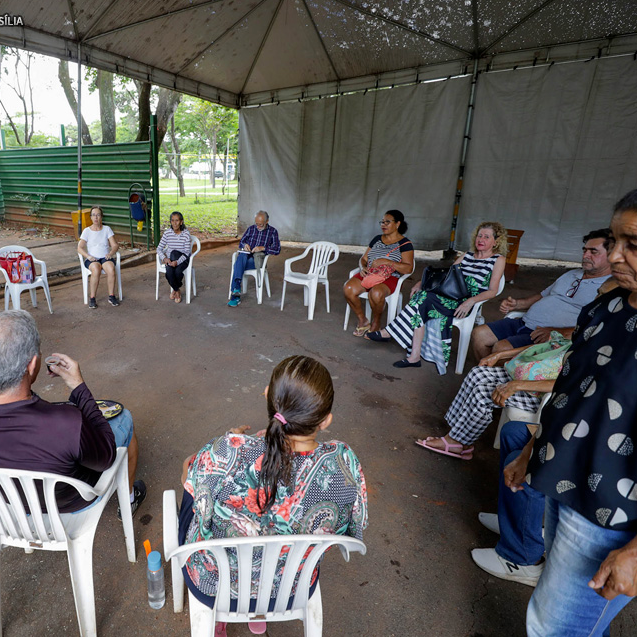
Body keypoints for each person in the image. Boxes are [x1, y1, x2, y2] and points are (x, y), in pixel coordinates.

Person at [505, 189, 637, 635]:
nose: (615, 256)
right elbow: (571, 389)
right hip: (563, 478)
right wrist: (532, 453)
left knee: (555, 628)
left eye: (633, 245)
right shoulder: (607, 306)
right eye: (615, 242)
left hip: (610, 512)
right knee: (555, 613)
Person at [178, 355, 367, 636]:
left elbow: (193, 485)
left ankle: (219, 620)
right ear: (325, 421)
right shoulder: (345, 466)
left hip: (214, 586)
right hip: (291, 589)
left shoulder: (226, 451)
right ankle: (259, 611)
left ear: (267, 395)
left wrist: (230, 441)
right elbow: (353, 532)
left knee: (192, 487)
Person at [0, 310, 146, 516]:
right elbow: (106, 458)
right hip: (71, 503)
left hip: (10, 506)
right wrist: (78, 387)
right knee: (123, 418)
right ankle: (129, 499)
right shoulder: (66, 423)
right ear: (32, 365)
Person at [366, 221, 507, 374]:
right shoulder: (467, 255)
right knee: (421, 297)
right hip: (449, 295)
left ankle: (391, 335)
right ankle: (413, 356)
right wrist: (421, 282)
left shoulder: (498, 259)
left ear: (496, 242)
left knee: (423, 298)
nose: (481, 239)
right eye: (479, 236)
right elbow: (447, 275)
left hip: (464, 302)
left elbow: (493, 291)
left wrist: (470, 302)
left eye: (486, 237)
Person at [414, 335, 567, 459]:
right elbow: (542, 347)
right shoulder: (576, 331)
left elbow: (570, 383)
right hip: (527, 377)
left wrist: (517, 385)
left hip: (545, 395)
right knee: (477, 373)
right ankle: (458, 437)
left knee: (484, 393)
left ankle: (456, 441)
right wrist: (499, 355)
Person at [470, 228, 613, 360]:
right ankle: (487, 374)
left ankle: (498, 376)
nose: (585, 255)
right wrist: (517, 304)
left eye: (593, 252)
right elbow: (543, 295)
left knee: (501, 348)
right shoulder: (572, 274)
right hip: (525, 322)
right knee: (479, 334)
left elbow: (596, 326)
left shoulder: (609, 288)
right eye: (584, 250)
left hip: (548, 337)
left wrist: (557, 332)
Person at [343, 210, 414, 335]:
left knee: (376, 293)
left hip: (390, 277)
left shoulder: (405, 244)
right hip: (369, 273)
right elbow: (364, 258)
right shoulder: (377, 239)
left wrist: (387, 262)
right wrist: (363, 267)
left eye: (387, 222)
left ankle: (376, 322)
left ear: (397, 224)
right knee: (348, 288)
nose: (383, 225)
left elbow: (408, 268)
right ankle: (363, 320)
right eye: (382, 222)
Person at [227, 210, 281, 308]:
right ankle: (237, 289)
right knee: (242, 256)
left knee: (238, 264)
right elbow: (241, 242)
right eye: (257, 224)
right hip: (247, 255)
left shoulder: (273, 232)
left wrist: (263, 248)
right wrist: (245, 245)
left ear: (267, 221)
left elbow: (277, 249)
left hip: (258, 260)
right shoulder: (251, 229)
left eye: (261, 225)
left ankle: (235, 294)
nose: (258, 227)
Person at [77, 206, 120, 309]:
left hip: (105, 257)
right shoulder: (87, 231)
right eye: (93, 215)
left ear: (101, 217)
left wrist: (111, 253)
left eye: (98, 215)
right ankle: (92, 298)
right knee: (96, 269)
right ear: (91, 217)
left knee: (111, 269)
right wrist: (88, 256)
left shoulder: (107, 229)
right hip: (92, 259)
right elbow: (79, 248)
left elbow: (115, 245)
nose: (96, 217)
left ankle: (111, 296)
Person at [157, 211, 192, 303]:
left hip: (183, 259)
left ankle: (175, 289)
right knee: (169, 272)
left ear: (181, 222)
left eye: (177, 220)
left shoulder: (186, 234)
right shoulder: (167, 233)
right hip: (171, 260)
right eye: (172, 220)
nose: (174, 223)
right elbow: (159, 249)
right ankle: (177, 290)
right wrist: (164, 258)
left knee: (174, 256)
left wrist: (177, 262)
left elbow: (187, 252)